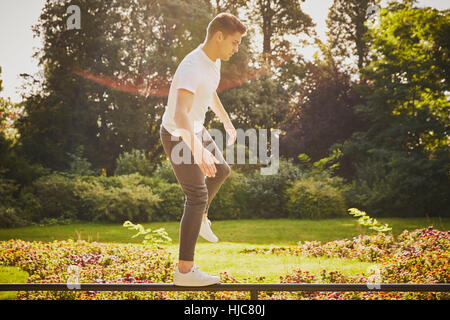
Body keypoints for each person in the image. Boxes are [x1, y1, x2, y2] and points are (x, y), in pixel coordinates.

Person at [159, 13, 247, 286]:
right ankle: (184, 272)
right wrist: (197, 150)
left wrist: (226, 120)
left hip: (195, 128)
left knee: (221, 170)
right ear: (218, 36)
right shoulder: (192, 66)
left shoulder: (213, 63)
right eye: (234, 42)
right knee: (196, 196)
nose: (236, 48)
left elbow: (209, 92)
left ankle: (203, 217)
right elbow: (180, 114)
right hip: (177, 133)